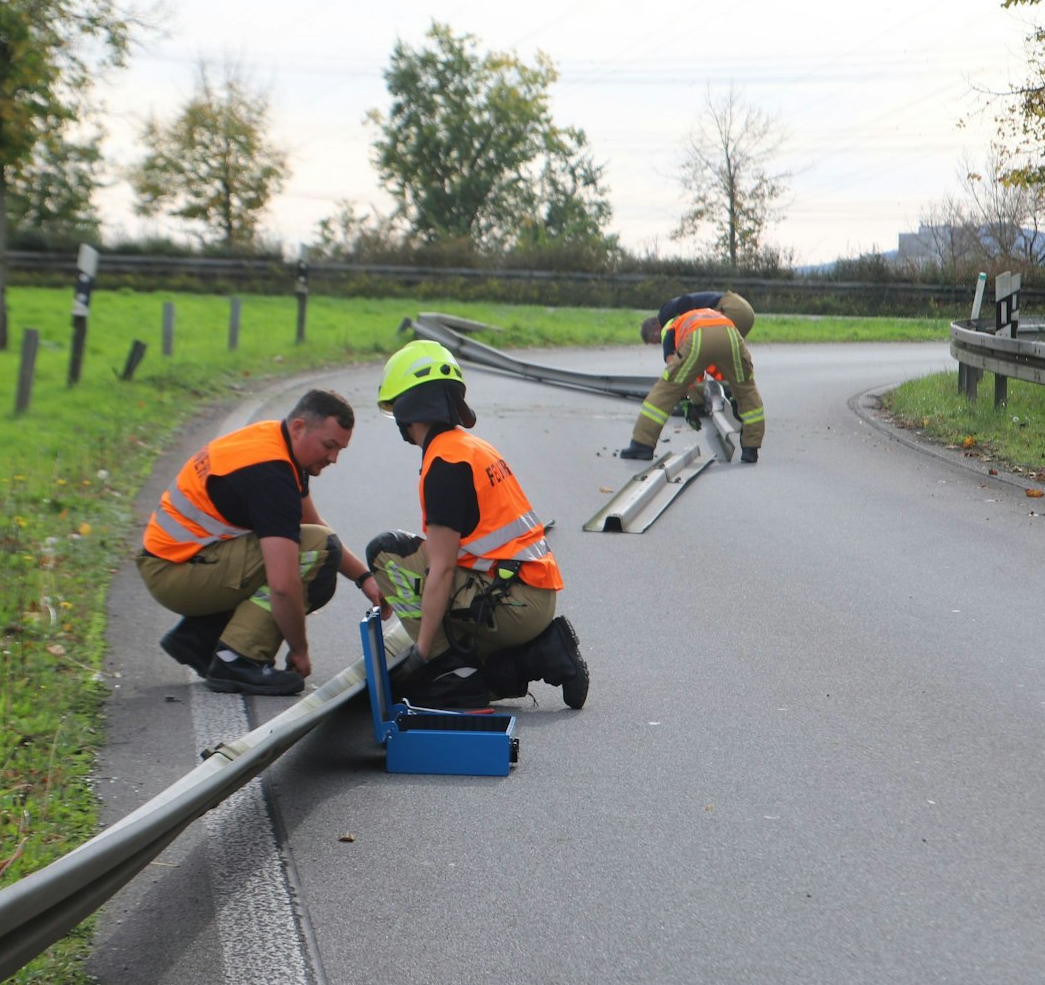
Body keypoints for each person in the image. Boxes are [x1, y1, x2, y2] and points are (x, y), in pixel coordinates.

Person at [364, 340, 589, 709]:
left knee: (386, 553)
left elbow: (441, 568)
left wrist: (422, 655)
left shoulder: (444, 465)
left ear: (409, 409)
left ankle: (446, 670)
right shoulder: (471, 448)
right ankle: (545, 653)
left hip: (512, 601)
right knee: (470, 667)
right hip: (532, 595)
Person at [139, 389, 387, 695]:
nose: (333, 458)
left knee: (321, 548)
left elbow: (312, 526)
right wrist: (300, 650)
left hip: (179, 562)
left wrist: (364, 579)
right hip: (174, 573)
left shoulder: (276, 441)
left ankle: (200, 637)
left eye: (340, 450)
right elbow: (283, 583)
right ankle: (238, 658)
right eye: (329, 445)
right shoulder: (271, 475)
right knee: (314, 558)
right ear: (299, 427)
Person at [621, 290, 765, 463]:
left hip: (699, 335)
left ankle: (642, 444)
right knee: (746, 388)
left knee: (667, 387)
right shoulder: (709, 313)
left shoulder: (670, 324)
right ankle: (751, 448)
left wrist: (686, 402)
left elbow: (676, 372)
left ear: (655, 330)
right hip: (730, 332)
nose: (658, 344)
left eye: (656, 342)